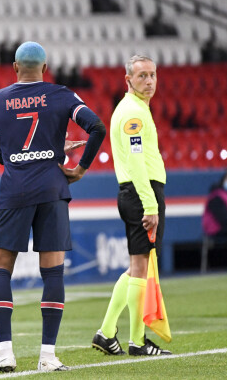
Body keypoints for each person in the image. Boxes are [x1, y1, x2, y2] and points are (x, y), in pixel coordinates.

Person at [0, 41, 106, 373]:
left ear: (15, 68)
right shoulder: (61, 94)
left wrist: (30, 152)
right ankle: (48, 356)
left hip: (15, 189)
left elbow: (1, 155)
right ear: (45, 69)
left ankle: (5, 351)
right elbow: (97, 127)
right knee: (53, 272)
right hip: (52, 188)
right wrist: (79, 167)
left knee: (0, 268)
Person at [91, 55, 171, 356]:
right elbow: (137, 163)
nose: (149, 81)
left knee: (138, 266)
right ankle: (138, 341)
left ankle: (107, 332)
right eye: (142, 76)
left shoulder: (136, 109)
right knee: (142, 268)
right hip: (142, 194)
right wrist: (150, 205)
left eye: (152, 75)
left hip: (138, 193)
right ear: (128, 80)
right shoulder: (133, 114)